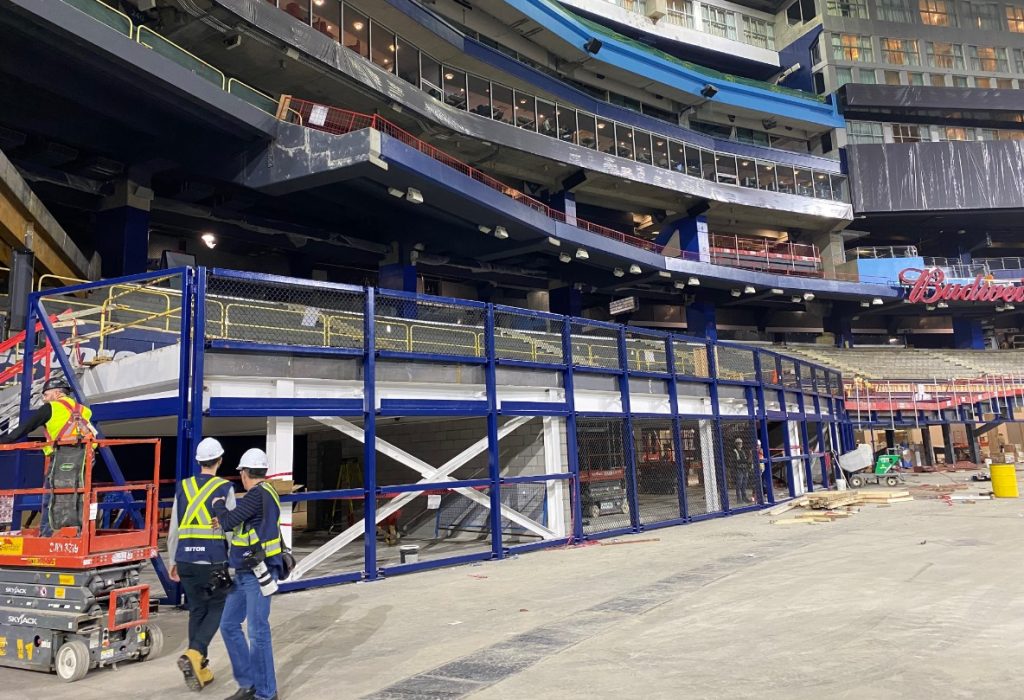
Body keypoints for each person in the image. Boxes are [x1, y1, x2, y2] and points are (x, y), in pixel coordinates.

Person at [167, 437, 236, 692]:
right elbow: (229, 527)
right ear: (219, 460)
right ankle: (194, 654)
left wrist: (172, 560)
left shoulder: (183, 487)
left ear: (198, 462)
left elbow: (174, 528)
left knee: (197, 609)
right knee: (218, 606)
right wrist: (235, 559)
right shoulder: (224, 488)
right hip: (213, 560)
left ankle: (201, 667)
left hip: (186, 559)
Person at [212, 448, 282, 700]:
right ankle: (249, 683)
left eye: (240, 471)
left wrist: (218, 505)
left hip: (256, 574)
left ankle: (266, 693)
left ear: (244, 473)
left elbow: (229, 522)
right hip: (244, 572)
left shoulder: (257, 495)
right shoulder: (266, 493)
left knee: (257, 632)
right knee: (229, 624)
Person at [0, 377, 96, 535]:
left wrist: (3, 441)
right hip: (86, 456)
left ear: (57, 393)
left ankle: (48, 535)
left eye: (45, 394)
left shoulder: (50, 408)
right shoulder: (84, 410)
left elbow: (22, 430)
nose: (43, 398)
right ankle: (78, 532)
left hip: (63, 457)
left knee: (52, 497)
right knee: (79, 495)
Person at [731, 437, 755, 505]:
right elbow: (737, 461)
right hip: (739, 470)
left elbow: (746, 460)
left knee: (744, 485)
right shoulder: (734, 451)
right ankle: (739, 500)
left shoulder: (742, 451)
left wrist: (749, 457)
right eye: (738, 443)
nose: (739, 445)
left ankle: (744, 498)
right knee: (739, 485)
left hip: (744, 469)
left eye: (740, 443)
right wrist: (746, 461)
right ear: (736, 444)